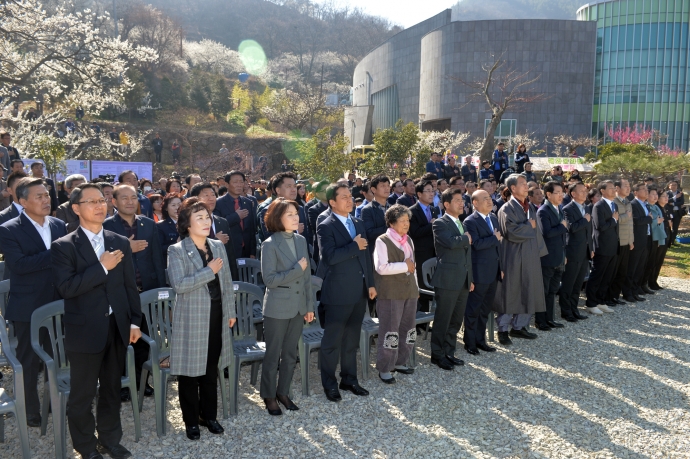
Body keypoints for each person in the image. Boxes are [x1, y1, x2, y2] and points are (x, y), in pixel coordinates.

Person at [51, 183, 142, 459]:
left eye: (102, 200)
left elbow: (129, 287)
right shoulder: (63, 246)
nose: (100, 205)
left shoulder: (119, 241)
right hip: (85, 331)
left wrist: (134, 322)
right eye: (91, 202)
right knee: (82, 396)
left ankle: (110, 441)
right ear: (76, 208)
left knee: (112, 390)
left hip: (116, 328)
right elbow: (66, 288)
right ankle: (87, 448)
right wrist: (102, 267)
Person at [167, 198, 236, 440]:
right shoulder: (176, 250)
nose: (206, 222)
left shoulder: (217, 246)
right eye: (200, 218)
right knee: (189, 373)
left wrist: (230, 311)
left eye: (207, 217)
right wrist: (209, 271)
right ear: (187, 224)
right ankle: (191, 420)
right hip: (192, 319)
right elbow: (180, 285)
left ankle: (209, 416)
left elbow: (227, 283)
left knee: (210, 369)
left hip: (217, 314)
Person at [0, 178, 67, 427]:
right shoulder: (9, 229)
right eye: (38, 196)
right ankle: (30, 409)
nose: (46, 199)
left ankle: (54, 402)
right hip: (28, 305)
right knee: (29, 359)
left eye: (47, 195)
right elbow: (18, 265)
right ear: (22, 201)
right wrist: (56, 253)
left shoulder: (59, 225)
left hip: (59, 301)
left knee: (56, 354)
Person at [103, 184, 165, 400]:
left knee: (144, 338)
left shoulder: (148, 224)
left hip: (146, 291)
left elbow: (157, 257)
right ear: (114, 202)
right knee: (120, 340)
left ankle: (141, 381)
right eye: (124, 198)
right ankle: (120, 383)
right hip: (119, 293)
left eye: (133, 197)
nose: (130, 202)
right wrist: (127, 247)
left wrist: (159, 288)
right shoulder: (105, 227)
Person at [317, 183, 376, 402]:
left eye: (350, 196)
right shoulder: (326, 225)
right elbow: (329, 257)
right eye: (343, 197)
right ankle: (329, 384)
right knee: (332, 341)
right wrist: (353, 245)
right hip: (338, 292)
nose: (349, 200)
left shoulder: (358, 222)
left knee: (352, 339)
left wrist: (370, 283)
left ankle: (349, 379)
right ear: (332, 202)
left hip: (359, 291)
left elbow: (365, 257)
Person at [259, 198, 313, 414]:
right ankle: (269, 395)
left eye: (296, 213)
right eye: (289, 214)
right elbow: (269, 280)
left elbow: (307, 276)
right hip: (277, 308)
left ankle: (283, 392)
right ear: (277, 218)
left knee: (290, 354)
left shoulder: (300, 240)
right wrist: (296, 270)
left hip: (298, 307)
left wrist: (309, 306)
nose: (295, 217)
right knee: (273, 354)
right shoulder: (269, 244)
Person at [494, 174, 546, 345]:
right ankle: (502, 329)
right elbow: (511, 232)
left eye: (526, 184)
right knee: (512, 292)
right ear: (513, 188)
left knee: (529, 289)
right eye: (522, 184)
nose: (526, 187)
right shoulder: (506, 209)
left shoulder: (529, 206)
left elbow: (536, 231)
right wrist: (528, 226)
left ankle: (519, 327)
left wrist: (539, 251)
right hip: (513, 255)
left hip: (530, 254)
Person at [372, 205, 418, 383]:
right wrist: (405, 266)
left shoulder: (409, 240)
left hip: (409, 290)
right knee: (390, 329)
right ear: (391, 223)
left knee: (408, 328)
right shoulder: (382, 240)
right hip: (390, 292)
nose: (406, 224)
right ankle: (385, 367)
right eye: (402, 221)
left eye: (408, 220)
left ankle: (400, 361)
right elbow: (381, 268)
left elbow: (413, 266)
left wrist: (417, 287)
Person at [429, 188, 473, 370]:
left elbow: (466, 253)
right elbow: (451, 242)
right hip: (447, 279)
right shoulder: (440, 223)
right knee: (443, 318)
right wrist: (465, 238)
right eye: (457, 200)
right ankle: (437, 355)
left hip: (462, 279)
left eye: (462, 200)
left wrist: (470, 278)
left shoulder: (462, 223)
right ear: (446, 204)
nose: (461, 203)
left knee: (456, 319)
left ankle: (449, 351)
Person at [462, 189, 501, 355]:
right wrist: (494, 238)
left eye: (490, 198)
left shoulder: (493, 217)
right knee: (473, 309)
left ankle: (480, 340)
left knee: (485, 309)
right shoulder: (470, 221)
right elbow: (476, 244)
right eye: (484, 199)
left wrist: (502, 268)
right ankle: (469, 342)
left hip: (493, 271)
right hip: (479, 272)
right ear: (475, 203)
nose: (489, 201)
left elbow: (498, 246)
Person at [189, 183, 239, 281]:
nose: (211, 198)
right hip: (200, 277)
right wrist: (215, 240)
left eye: (213, 195)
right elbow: (190, 250)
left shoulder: (222, 222)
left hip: (222, 277)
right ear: (195, 199)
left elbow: (230, 254)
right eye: (206, 195)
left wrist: (234, 279)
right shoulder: (189, 223)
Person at [534, 181, 568, 331]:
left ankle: (550, 318)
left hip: (558, 256)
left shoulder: (559, 209)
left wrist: (564, 254)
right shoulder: (543, 211)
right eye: (557, 192)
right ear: (548, 194)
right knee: (544, 290)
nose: (561, 195)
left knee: (553, 290)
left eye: (562, 192)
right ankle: (540, 320)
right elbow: (546, 233)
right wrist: (562, 227)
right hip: (547, 257)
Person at [559, 182, 592, 322]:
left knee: (578, 283)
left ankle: (574, 309)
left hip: (584, 251)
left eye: (585, 191)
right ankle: (566, 311)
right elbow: (571, 228)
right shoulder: (567, 209)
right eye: (581, 191)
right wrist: (584, 220)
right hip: (572, 251)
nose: (585, 193)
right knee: (569, 283)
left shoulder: (586, 208)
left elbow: (589, 232)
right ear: (573, 194)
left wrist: (591, 249)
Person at [586, 181, 620, 313]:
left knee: (607, 275)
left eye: (614, 188)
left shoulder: (614, 205)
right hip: (602, 246)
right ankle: (591, 303)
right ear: (603, 191)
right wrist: (613, 220)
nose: (614, 190)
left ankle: (601, 300)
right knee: (597, 275)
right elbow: (601, 226)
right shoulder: (599, 206)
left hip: (612, 245)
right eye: (611, 188)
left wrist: (614, 220)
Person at [408, 180, 439, 315]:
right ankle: (418, 319)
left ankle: (427, 319)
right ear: (419, 194)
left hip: (433, 252)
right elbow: (414, 232)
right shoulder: (411, 211)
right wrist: (431, 225)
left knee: (431, 285)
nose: (431, 194)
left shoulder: (433, 209)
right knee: (421, 285)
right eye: (428, 191)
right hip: (420, 254)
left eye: (432, 191)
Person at [214, 171, 257, 259]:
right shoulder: (218, 203)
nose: (239, 185)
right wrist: (236, 217)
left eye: (241, 182)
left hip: (246, 251)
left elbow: (252, 229)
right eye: (235, 182)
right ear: (226, 184)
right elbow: (218, 227)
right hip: (228, 251)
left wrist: (253, 251)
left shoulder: (248, 202)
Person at [608, 179, 634, 305]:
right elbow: (614, 221)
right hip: (617, 242)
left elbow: (631, 224)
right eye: (625, 186)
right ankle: (609, 296)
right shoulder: (614, 202)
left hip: (626, 242)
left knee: (622, 272)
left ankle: (615, 296)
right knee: (614, 271)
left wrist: (631, 240)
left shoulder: (628, 202)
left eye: (629, 186)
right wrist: (625, 216)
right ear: (617, 189)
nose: (628, 188)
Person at [628, 183, 653, 297]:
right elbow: (636, 221)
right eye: (643, 189)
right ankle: (629, 291)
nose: (646, 191)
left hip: (645, 238)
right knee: (633, 266)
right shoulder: (633, 204)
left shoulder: (645, 205)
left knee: (640, 266)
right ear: (636, 192)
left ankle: (637, 288)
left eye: (647, 189)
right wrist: (649, 218)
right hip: (636, 239)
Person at [641, 187, 665, 292]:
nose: (655, 197)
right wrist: (656, 221)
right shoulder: (647, 207)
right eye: (653, 194)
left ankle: (647, 283)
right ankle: (642, 284)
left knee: (652, 262)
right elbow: (648, 222)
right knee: (646, 263)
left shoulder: (656, 207)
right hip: (650, 237)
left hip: (657, 237)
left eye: (656, 194)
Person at [361, 175, 391, 256]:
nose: (387, 188)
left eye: (388, 185)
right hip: (378, 252)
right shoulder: (367, 210)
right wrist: (392, 227)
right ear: (373, 189)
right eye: (383, 186)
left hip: (394, 251)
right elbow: (369, 233)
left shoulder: (394, 207)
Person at [648, 191, 672, 290]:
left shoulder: (665, 208)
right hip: (657, 237)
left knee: (659, 261)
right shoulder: (655, 207)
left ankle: (654, 281)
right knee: (654, 260)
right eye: (663, 196)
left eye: (667, 196)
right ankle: (650, 281)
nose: (666, 198)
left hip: (664, 237)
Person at [157, 192, 182, 265]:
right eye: (173, 205)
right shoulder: (160, 226)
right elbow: (159, 249)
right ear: (166, 208)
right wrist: (176, 244)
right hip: (171, 264)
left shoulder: (189, 223)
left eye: (179, 204)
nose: (177, 208)